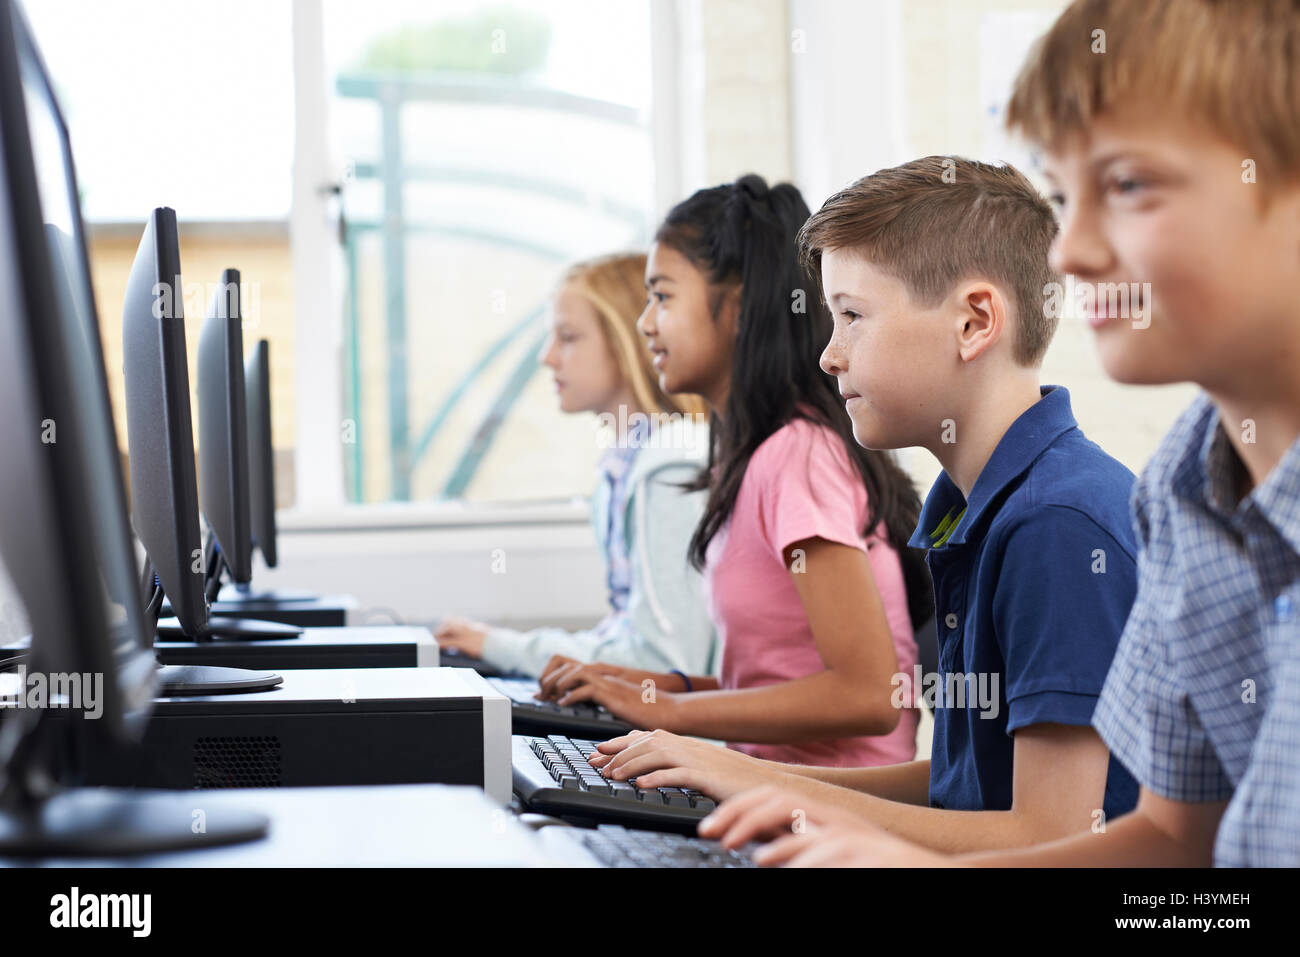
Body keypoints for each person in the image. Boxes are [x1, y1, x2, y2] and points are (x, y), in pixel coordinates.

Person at [706, 0, 1300, 867]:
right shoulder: (1184, 485)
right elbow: (1178, 856)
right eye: (1063, 196)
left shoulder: (1065, 520)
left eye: (1128, 185)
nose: (1070, 251)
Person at [596, 156, 1142, 854]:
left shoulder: (1056, 525)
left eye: (852, 316)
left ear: (975, 323)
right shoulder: (970, 507)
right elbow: (960, 790)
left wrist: (770, 787)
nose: (829, 354)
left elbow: (1047, 836)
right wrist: (749, 777)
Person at [538, 174, 932, 768]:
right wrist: (663, 689)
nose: (646, 323)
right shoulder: (746, 457)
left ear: (740, 310)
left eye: (663, 297)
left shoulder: (796, 454)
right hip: (767, 791)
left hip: (834, 816)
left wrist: (672, 715)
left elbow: (870, 695)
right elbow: (777, 682)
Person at [435, 252, 716, 679]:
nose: (547, 357)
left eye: (567, 337)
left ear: (628, 341)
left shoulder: (669, 469)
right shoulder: (626, 464)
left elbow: (666, 665)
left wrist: (505, 647)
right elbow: (630, 639)